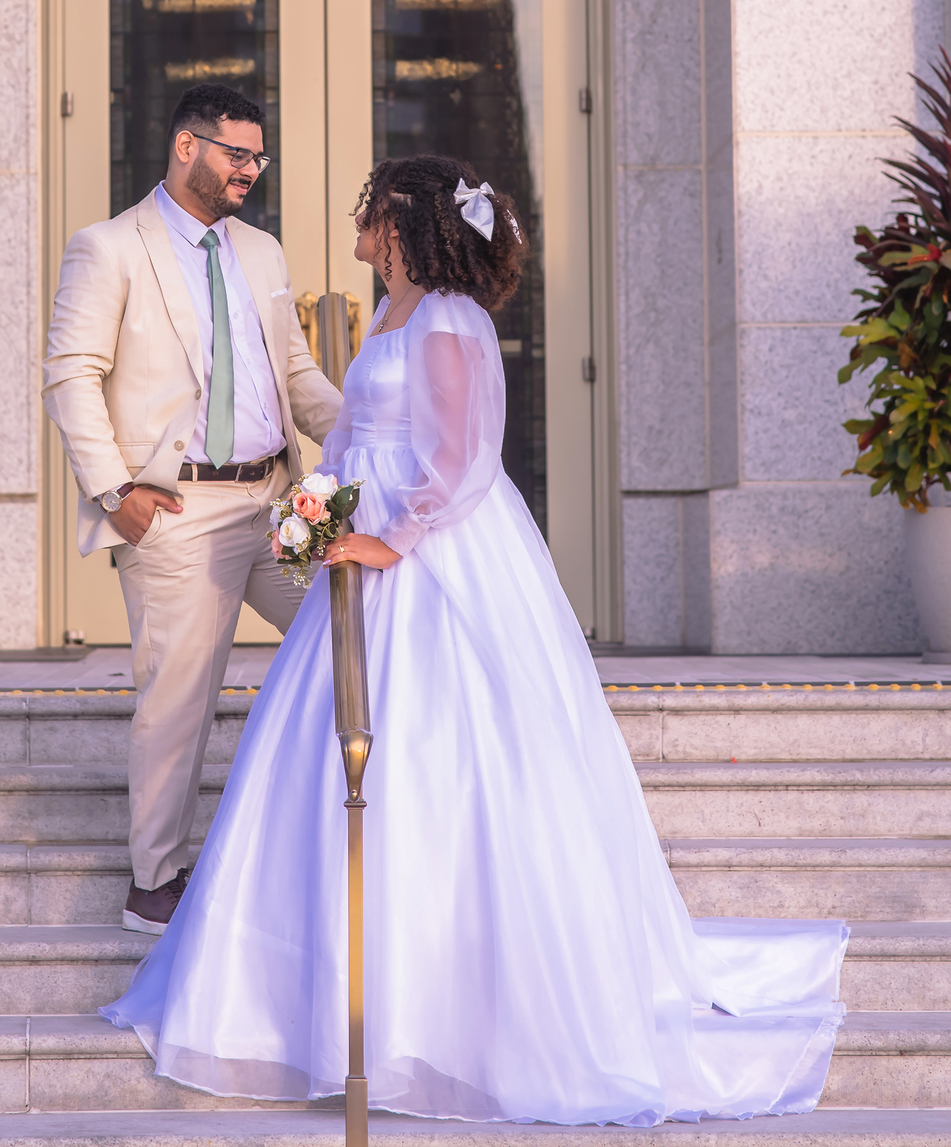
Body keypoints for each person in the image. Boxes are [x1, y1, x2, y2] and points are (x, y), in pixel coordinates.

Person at [101, 153, 848, 1124]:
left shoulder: (451, 320)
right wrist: (325, 510)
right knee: (330, 762)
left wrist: (385, 538)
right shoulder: (395, 315)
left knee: (435, 757)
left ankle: (439, 1015)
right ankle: (319, 1002)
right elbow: (371, 436)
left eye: (371, 217)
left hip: (430, 560)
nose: (359, 231)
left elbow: (461, 458)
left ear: (406, 226)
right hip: (369, 554)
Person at [42, 83, 343, 934]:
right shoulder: (109, 247)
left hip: (278, 501)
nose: (251, 168)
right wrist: (116, 492)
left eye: (258, 155)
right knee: (179, 698)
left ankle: (325, 837)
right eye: (236, 153)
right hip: (177, 508)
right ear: (187, 147)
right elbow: (71, 374)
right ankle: (156, 883)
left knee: (358, 637)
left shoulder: (263, 252)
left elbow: (296, 375)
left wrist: (371, 424)